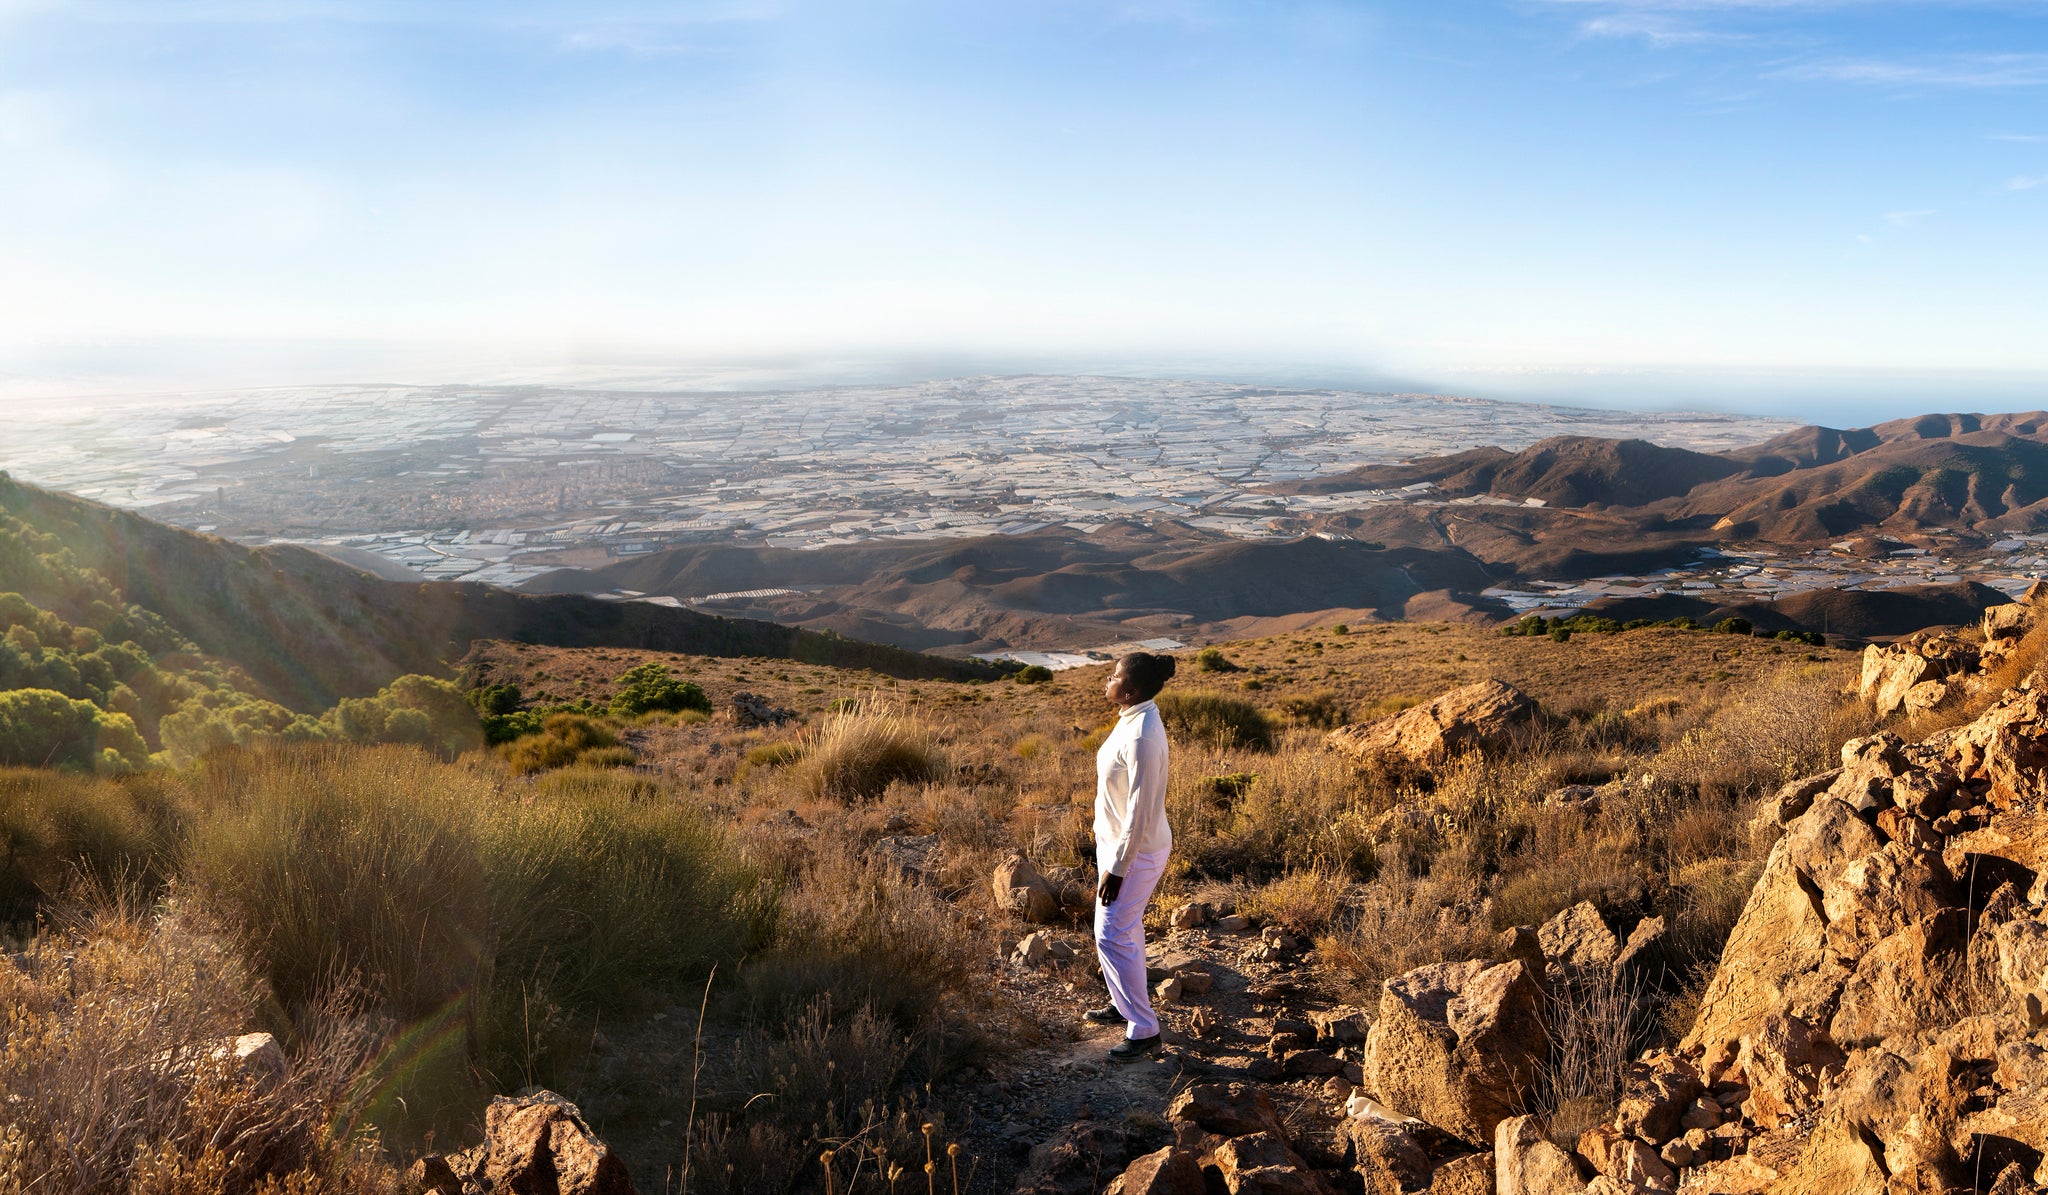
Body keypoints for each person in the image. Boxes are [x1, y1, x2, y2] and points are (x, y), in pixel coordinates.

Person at [1084, 649, 1177, 1062]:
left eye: (1114, 675)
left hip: (1135, 854)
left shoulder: (1140, 735)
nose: (1107, 679)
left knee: (1110, 933)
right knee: (1125, 929)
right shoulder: (1132, 719)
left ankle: (1144, 1029)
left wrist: (1118, 868)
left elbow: (1139, 812)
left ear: (1131, 690)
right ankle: (1123, 1004)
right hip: (1120, 848)